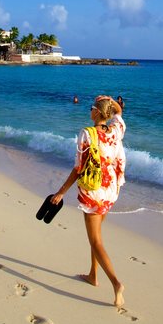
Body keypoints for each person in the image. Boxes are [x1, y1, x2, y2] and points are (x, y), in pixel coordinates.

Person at [50, 95, 126, 309]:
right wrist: (112, 100)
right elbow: (119, 113)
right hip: (110, 189)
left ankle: (116, 283)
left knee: (95, 241)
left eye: (92, 107)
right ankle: (93, 275)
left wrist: (61, 192)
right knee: (97, 236)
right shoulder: (116, 130)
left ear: (97, 112)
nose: (89, 110)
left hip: (93, 191)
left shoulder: (87, 133)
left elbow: (78, 168)